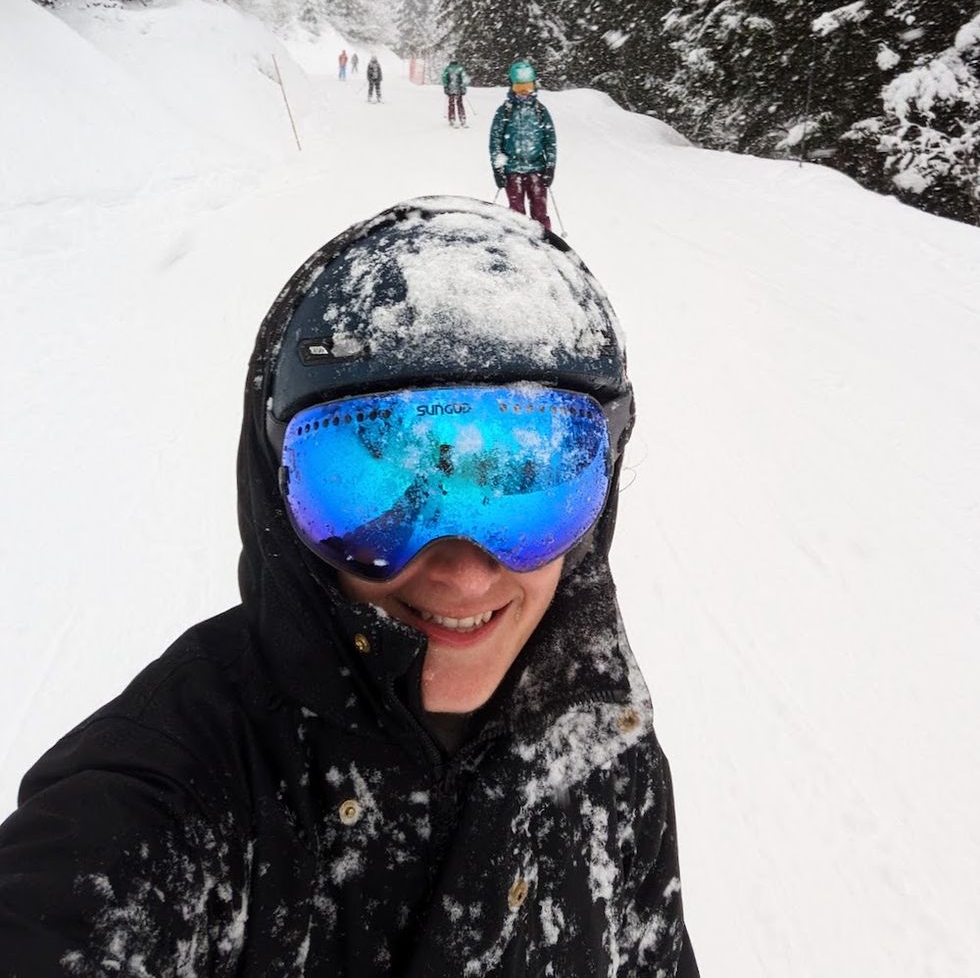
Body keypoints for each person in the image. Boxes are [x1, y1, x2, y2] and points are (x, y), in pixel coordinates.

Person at [0, 198, 698, 977]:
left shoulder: (600, 729)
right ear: (279, 492)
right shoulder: (178, 788)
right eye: (372, 485)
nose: (464, 573)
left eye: (528, 483)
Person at [489, 59, 557, 230]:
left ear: (534, 86)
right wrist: (498, 169)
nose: (524, 92)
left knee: (540, 214)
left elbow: (550, 141)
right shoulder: (505, 111)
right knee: (516, 216)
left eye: (528, 86)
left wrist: (550, 167)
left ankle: (544, 246)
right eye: (519, 87)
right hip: (512, 171)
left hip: (537, 170)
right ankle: (519, 245)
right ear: (511, 86)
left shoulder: (540, 111)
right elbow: (495, 141)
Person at [441, 55, 469, 127]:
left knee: (451, 104)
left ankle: (452, 118)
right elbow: (464, 78)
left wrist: (446, 86)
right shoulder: (460, 68)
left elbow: (444, 78)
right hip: (458, 89)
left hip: (450, 89)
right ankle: (462, 118)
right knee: (459, 103)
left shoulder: (448, 69)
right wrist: (463, 87)